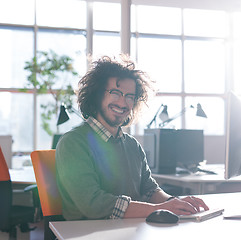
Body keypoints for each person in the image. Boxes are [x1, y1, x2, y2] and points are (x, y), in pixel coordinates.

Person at [55, 55, 209, 220]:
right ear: (97, 94)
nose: (123, 103)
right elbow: (93, 204)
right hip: (84, 234)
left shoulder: (132, 145)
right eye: (116, 93)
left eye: (130, 96)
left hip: (129, 230)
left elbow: (150, 189)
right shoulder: (73, 143)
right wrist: (158, 209)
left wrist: (175, 203)